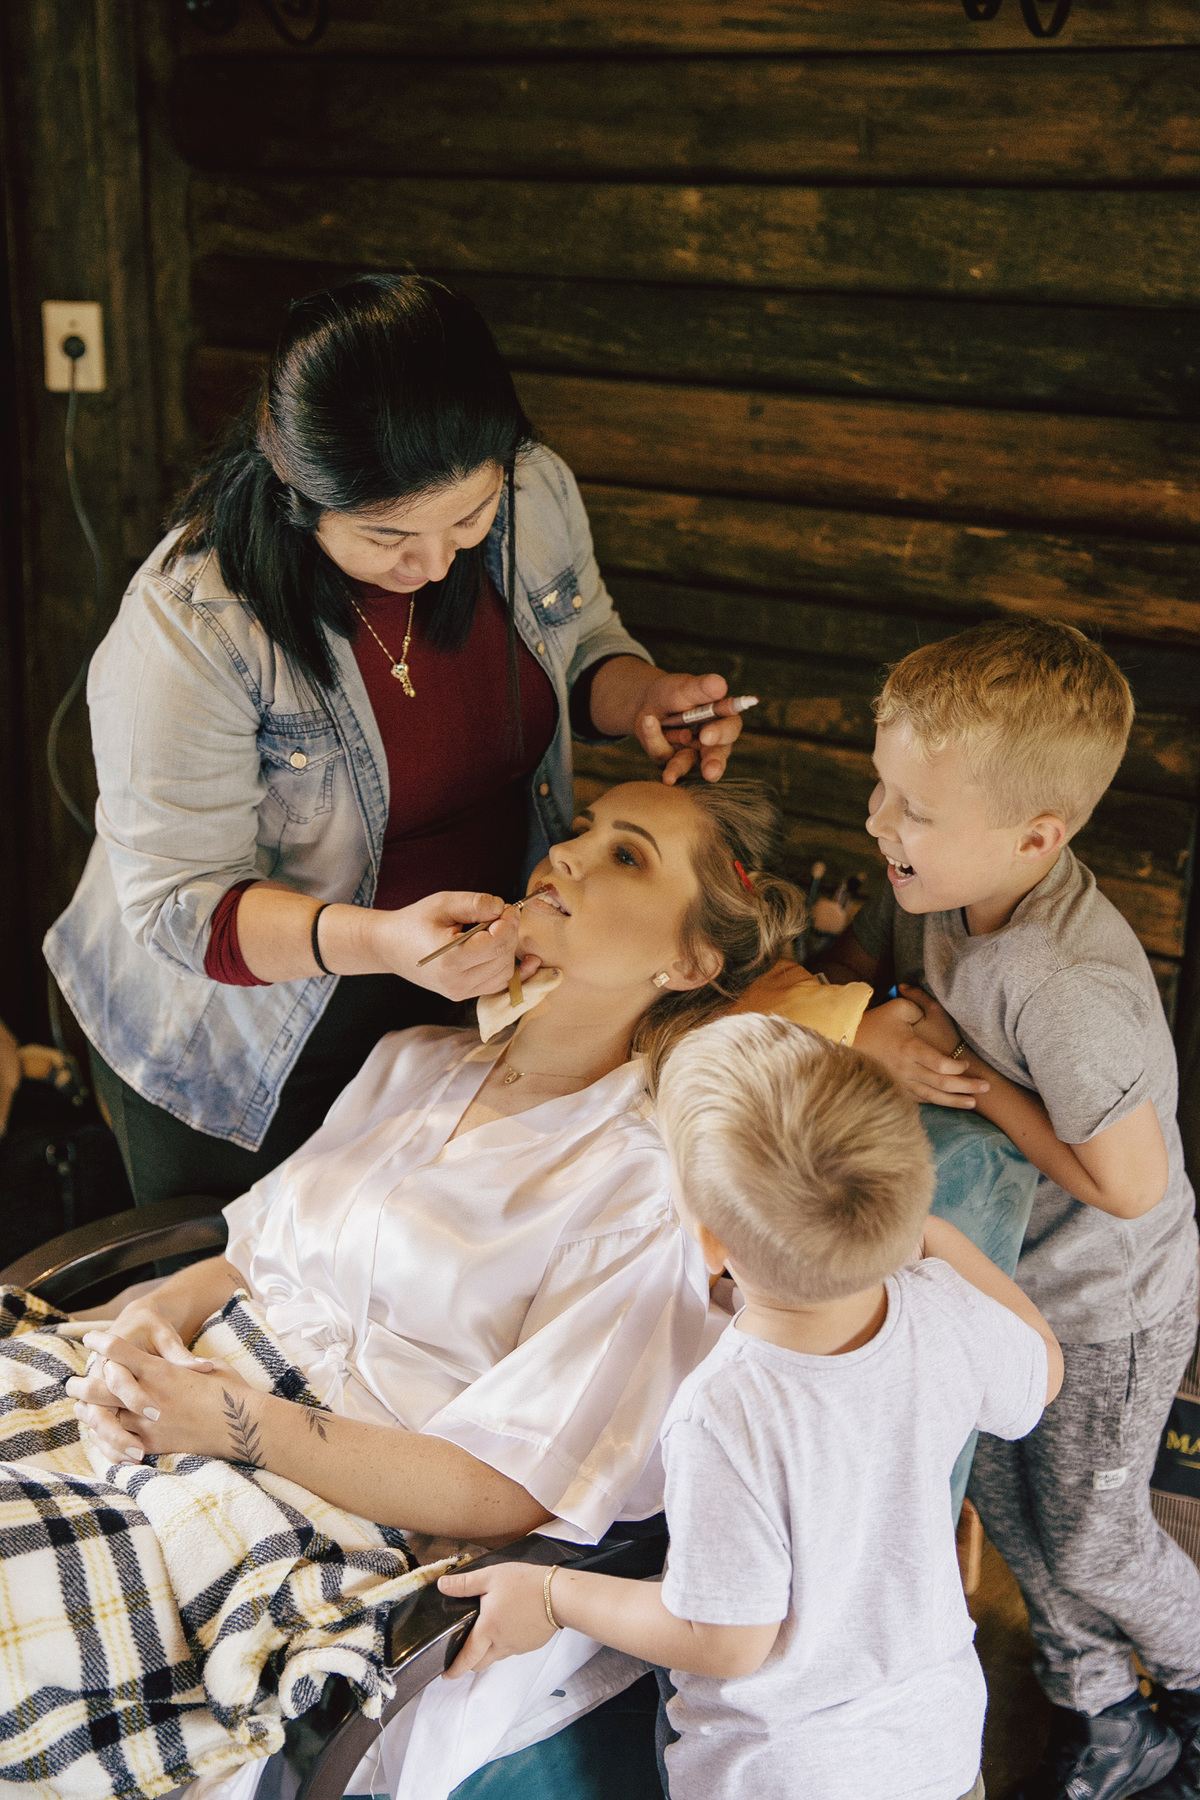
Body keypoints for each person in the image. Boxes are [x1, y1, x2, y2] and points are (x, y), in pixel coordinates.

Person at [52, 777, 803, 1799]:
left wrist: (233, 1423)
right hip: (179, 1397)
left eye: (627, 855)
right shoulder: (412, 1060)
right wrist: (149, 1315)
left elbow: (510, 1491)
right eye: (579, 831)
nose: (568, 854)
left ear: (689, 960)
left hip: (317, 1503)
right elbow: (248, 1253)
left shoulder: (648, 1178)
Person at [43, 274, 747, 1210]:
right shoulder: (192, 625)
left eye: (467, 518)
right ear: (300, 492)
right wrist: (378, 940)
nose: (435, 563)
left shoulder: (531, 491)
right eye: (386, 536)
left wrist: (641, 695)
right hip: (249, 1032)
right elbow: (183, 906)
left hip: (460, 987)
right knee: (235, 1282)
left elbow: (583, 644)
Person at [437, 1012, 1064, 1800]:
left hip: (783, 1774)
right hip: (934, 1752)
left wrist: (554, 1598)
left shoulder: (725, 1408)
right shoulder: (940, 1312)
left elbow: (727, 1640)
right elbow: (1041, 1371)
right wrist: (933, 1238)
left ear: (705, 1245)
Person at [820, 619, 1200, 1800]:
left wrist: (983, 1085)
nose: (882, 822)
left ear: (1037, 836)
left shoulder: (1062, 986)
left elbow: (1133, 1186)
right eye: (885, 789)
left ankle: (1190, 1676)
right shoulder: (939, 885)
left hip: (1108, 1304)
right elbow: (889, 988)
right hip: (996, 1272)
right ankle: (1100, 1709)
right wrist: (878, 1020)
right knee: (1004, 1505)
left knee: (1096, 1535)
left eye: (914, 809)